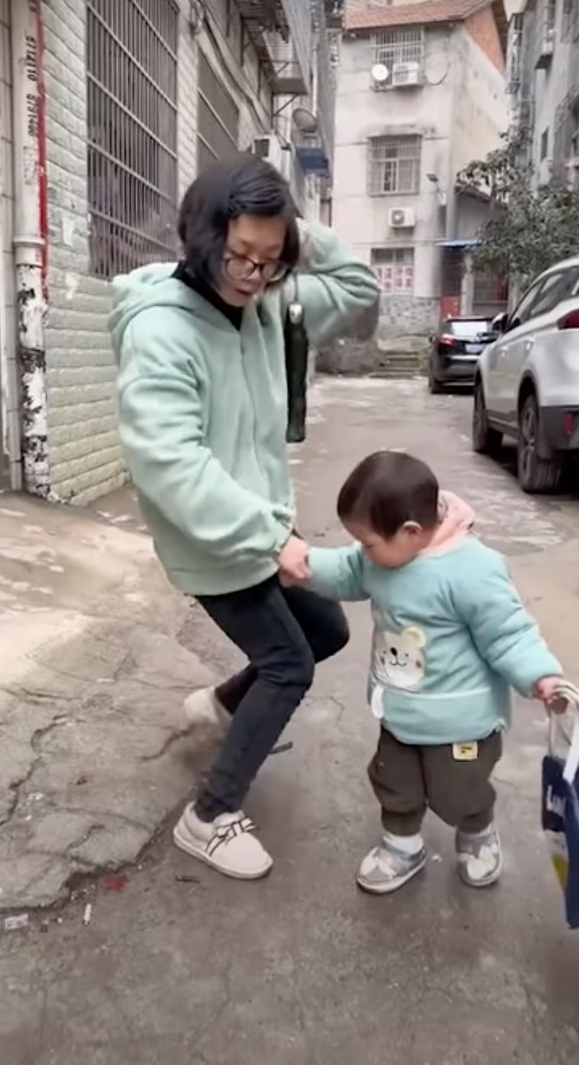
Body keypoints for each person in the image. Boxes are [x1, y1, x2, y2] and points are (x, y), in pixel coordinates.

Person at [109, 155, 379, 881]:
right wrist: (269, 539)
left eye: (268, 260)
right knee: (289, 665)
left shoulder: (268, 307)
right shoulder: (161, 332)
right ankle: (210, 816)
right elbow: (171, 466)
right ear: (200, 238)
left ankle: (223, 706)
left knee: (324, 630)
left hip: (261, 532)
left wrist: (287, 228)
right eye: (237, 256)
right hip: (214, 540)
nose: (250, 275)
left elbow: (358, 288)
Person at [303, 450, 565, 895]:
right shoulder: (378, 559)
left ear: (409, 532)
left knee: (459, 791)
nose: (362, 552)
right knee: (394, 783)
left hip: (461, 724)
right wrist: (302, 565)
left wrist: (540, 675)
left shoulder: (471, 570)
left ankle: (478, 834)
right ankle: (402, 846)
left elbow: (508, 633)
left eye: (368, 542)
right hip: (400, 712)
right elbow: (346, 571)